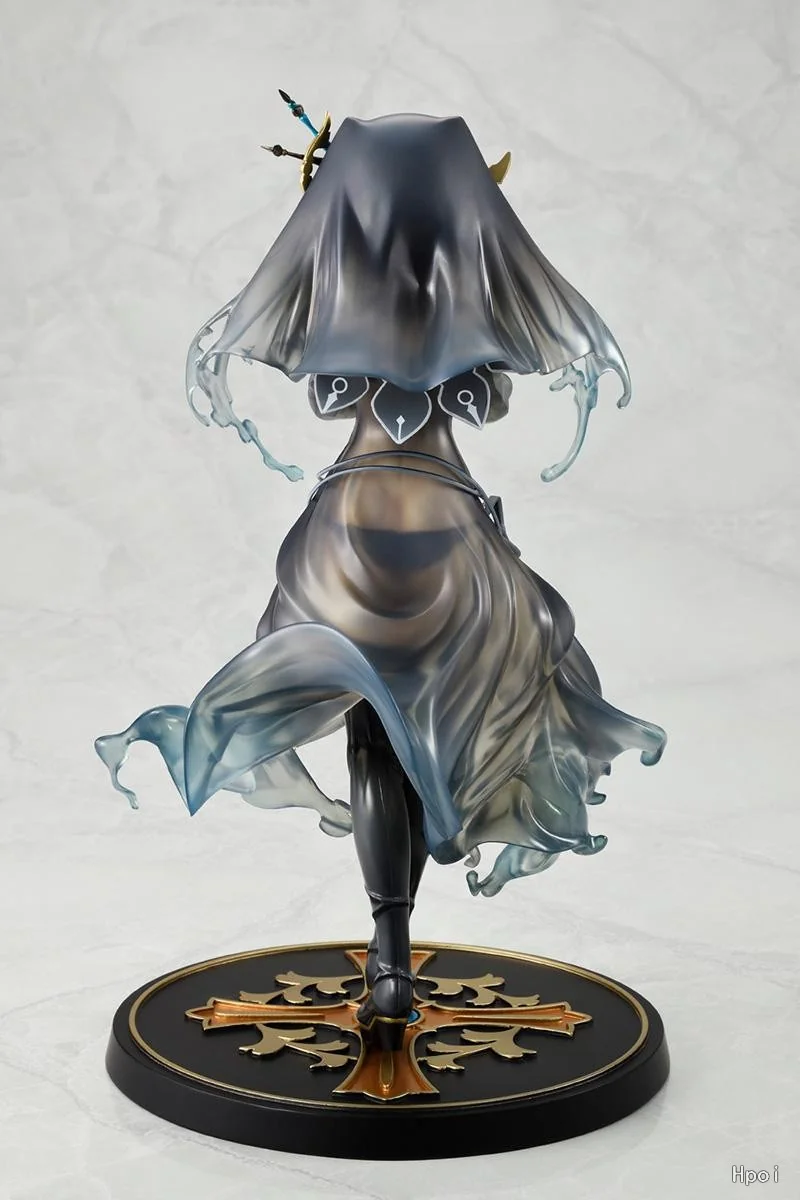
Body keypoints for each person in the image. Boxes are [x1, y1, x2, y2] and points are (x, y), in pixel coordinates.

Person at [95, 112, 666, 1051]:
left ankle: (390, 947)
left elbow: (326, 392)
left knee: (373, 723)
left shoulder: (338, 302)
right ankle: (407, 913)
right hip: (446, 525)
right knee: (423, 729)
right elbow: (485, 401)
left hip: (350, 527)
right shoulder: (471, 305)